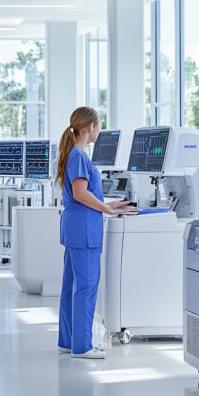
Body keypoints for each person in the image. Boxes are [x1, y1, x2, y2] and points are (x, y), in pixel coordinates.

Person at [57, 107, 136, 359]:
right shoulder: (79, 156)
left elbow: (82, 193)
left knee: (71, 285)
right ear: (90, 127)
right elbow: (80, 192)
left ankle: (69, 340)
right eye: (98, 126)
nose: (98, 132)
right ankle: (82, 346)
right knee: (87, 287)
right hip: (84, 230)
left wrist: (108, 205)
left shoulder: (73, 154)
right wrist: (106, 210)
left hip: (75, 227)